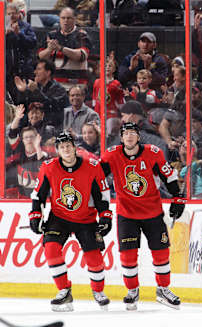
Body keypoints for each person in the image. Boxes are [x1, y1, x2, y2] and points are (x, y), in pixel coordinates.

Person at [100, 122, 186, 310]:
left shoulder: (153, 153)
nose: (129, 136)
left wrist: (178, 198)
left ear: (138, 137)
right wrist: (100, 208)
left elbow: (169, 176)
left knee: (161, 253)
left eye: (133, 133)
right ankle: (132, 291)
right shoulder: (112, 154)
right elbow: (96, 178)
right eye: (126, 133)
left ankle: (163, 289)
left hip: (152, 213)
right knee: (128, 256)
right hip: (127, 214)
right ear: (121, 138)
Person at [29, 132, 112, 311]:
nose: (66, 149)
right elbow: (39, 194)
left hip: (86, 218)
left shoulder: (92, 166)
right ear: (57, 150)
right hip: (59, 218)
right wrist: (36, 214)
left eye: (68, 145)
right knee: (51, 248)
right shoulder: (49, 166)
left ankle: (98, 291)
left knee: (94, 257)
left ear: (75, 147)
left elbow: (102, 196)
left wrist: (105, 215)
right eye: (62, 147)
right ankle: (64, 291)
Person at [38, 7, 92, 91]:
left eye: (69, 18)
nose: (65, 21)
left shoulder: (82, 35)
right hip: (55, 85)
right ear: (59, 19)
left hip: (77, 85)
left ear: (74, 19)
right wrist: (49, 49)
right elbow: (40, 57)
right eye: (63, 18)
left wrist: (61, 48)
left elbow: (81, 56)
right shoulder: (51, 35)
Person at [14, 59, 69, 129]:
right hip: (33, 125)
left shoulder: (59, 89)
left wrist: (35, 91)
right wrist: (23, 91)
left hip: (52, 127)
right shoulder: (36, 87)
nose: (35, 72)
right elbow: (23, 107)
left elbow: (51, 105)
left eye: (39, 69)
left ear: (48, 72)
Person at [6, 2, 37, 101]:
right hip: (7, 71)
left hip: (23, 69)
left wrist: (19, 33)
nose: (11, 16)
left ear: (19, 13)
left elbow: (33, 43)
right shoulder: (3, 27)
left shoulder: (26, 26)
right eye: (9, 13)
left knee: (23, 99)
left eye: (13, 13)